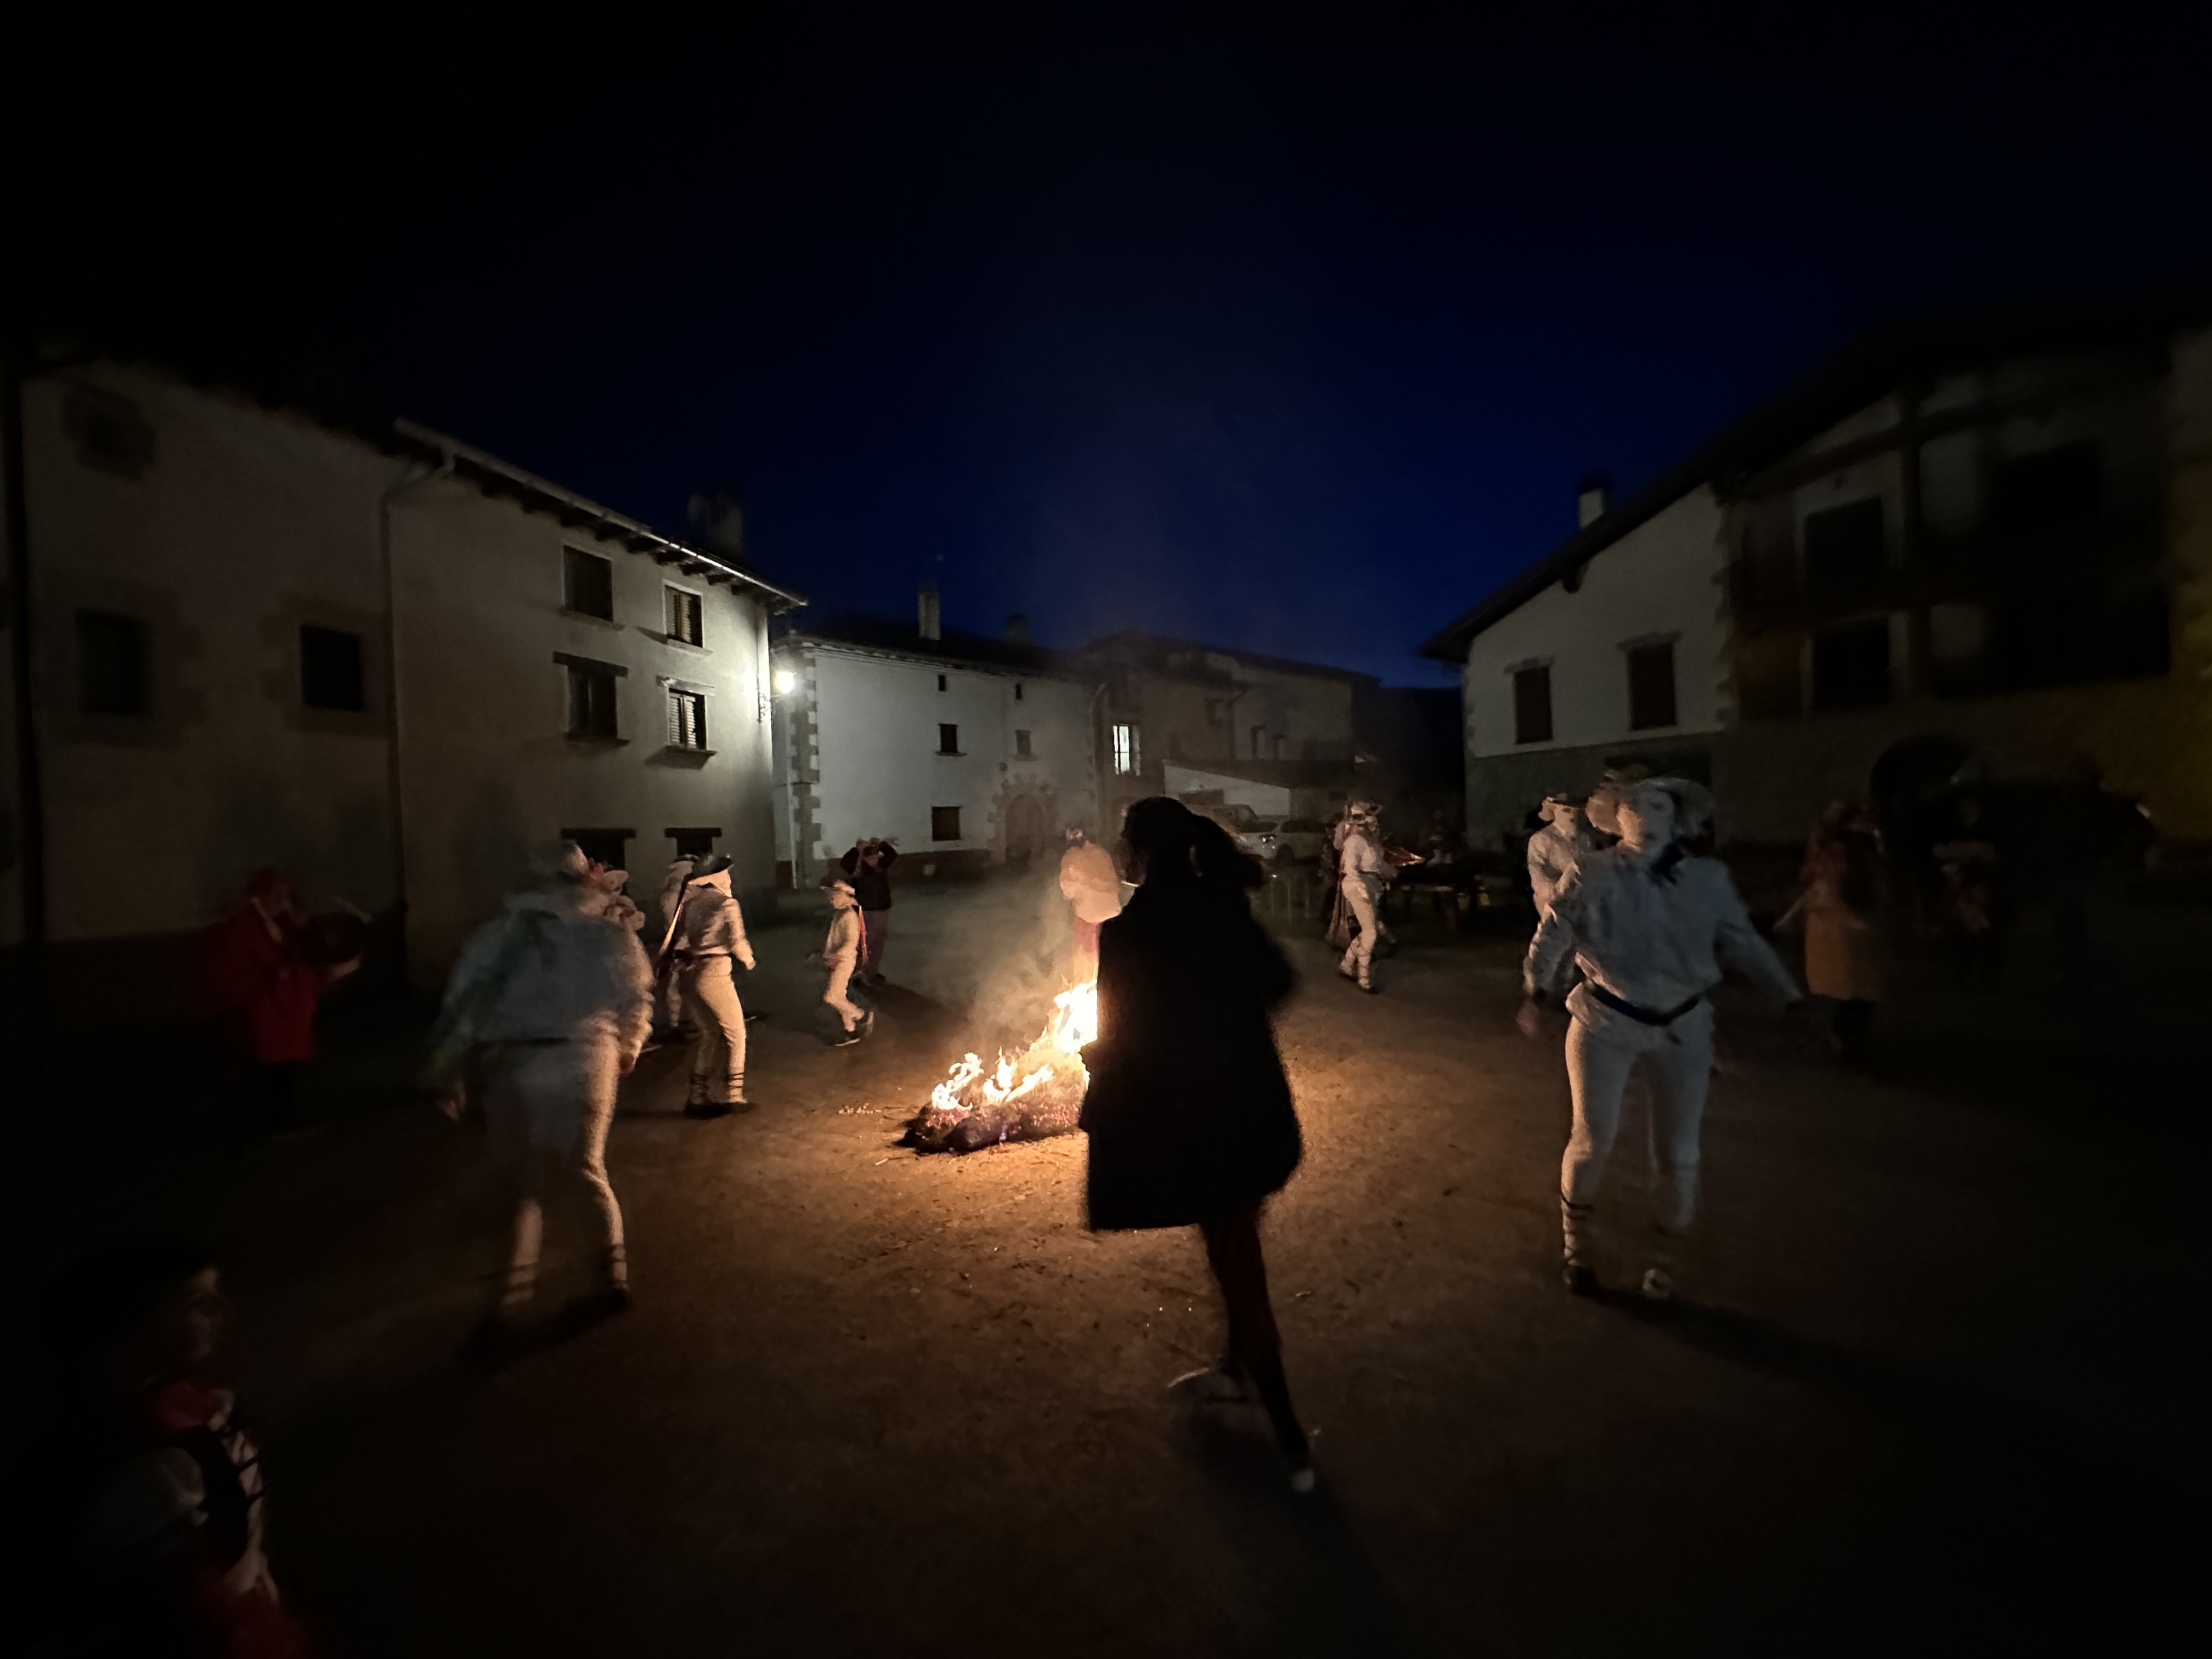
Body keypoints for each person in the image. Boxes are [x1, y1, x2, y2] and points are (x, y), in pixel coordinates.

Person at [1080, 798, 1314, 1493]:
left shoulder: (1129, 933)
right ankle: (1239, 1364)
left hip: (1202, 1123)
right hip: (1253, 1108)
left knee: (1239, 1261)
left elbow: (1125, 1038)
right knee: (1233, 1246)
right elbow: (1278, 982)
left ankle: (1288, 1434)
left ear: (1137, 852)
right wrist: (1226, 1028)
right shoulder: (1224, 908)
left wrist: (1103, 1065)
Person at [1519, 777, 1804, 1301]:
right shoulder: (1591, 872)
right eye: (1632, 806)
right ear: (1615, 817)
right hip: (1604, 1019)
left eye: (1657, 806)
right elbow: (1554, 931)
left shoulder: (1706, 879)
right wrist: (1537, 990)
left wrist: (1788, 998)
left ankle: (1666, 1261)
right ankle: (1577, 1247)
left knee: (1678, 1150)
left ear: (1677, 817)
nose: (1644, 817)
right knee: (1591, 1139)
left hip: (1683, 1026)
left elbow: (1743, 941)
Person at [37, 1235, 315, 1658]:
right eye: (196, 1303)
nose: (222, 1314)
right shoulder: (139, 1467)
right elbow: (191, 1618)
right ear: (130, 1325)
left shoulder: (186, 1407)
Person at [430, 841, 653, 1333]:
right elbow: (636, 997)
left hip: (518, 1063)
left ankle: (506, 1305)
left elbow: (463, 1006)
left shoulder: (497, 937)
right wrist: (630, 1043)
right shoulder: (607, 935)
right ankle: (610, 1279)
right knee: (586, 1170)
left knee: (523, 1185)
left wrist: (450, 1071)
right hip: (587, 1058)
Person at [206, 868, 363, 1135]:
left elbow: (306, 960)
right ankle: (262, 1128)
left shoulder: (287, 928)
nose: (282, 900)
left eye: (285, 894)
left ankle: (281, 1125)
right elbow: (234, 974)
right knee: (268, 1074)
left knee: (287, 1073)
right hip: (266, 1014)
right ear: (258, 896)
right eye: (275, 894)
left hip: (290, 1012)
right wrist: (272, 978)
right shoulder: (244, 930)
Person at [1782, 802, 1884, 1058]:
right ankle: (1843, 1035)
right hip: (1838, 923)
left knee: (1851, 986)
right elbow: (1818, 878)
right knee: (1847, 985)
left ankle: (1843, 1034)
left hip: (1847, 922)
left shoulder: (1854, 847)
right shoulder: (1838, 848)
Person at [667, 853, 757, 1116]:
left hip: (692, 972)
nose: (729, 878)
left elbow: (682, 938)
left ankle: (697, 1096)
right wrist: (749, 961)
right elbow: (737, 941)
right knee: (736, 1033)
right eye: (726, 874)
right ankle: (734, 1095)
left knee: (709, 1035)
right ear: (719, 877)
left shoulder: (692, 904)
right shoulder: (728, 904)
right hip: (716, 972)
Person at [1334, 800, 1395, 993]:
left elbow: (1380, 866)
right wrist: (1361, 888)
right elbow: (1350, 868)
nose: (1376, 822)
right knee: (1371, 932)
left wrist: (1392, 873)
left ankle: (1346, 964)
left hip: (1372, 887)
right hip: (1358, 887)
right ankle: (1364, 978)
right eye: (1373, 818)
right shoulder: (1355, 841)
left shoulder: (1372, 842)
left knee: (1368, 928)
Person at [1057, 825, 1123, 980]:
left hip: (1090, 917)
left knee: (1086, 954)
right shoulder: (1101, 852)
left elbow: (1068, 892)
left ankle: (1086, 979)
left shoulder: (1070, 858)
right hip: (1114, 912)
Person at [819, 877, 872, 1045]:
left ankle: (861, 1015)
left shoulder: (849, 915)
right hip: (838, 960)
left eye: (832, 896)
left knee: (831, 997)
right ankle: (851, 1031)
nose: (830, 900)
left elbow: (850, 942)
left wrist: (835, 957)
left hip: (844, 961)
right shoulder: (840, 914)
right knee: (841, 997)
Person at [1526, 792, 1595, 921]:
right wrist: (1556, 894)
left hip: (1584, 900)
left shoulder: (1585, 838)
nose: (1572, 815)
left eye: (1575, 811)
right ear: (1554, 812)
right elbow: (1537, 871)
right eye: (1566, 811)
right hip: (1555, 902)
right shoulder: (1542, 838)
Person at [838, 837, 899, 984]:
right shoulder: (858, 869)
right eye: (872, 856)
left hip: (882, 909)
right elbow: (845, 863)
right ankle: (858, 974)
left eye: (877, 856)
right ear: (865, 857)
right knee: (865, 943)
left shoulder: (880, 867)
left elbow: (891, 855)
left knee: (878, 943)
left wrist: (881, 844)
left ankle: (871, 972)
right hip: (865, 910)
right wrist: (857, 849)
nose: (875, 859)